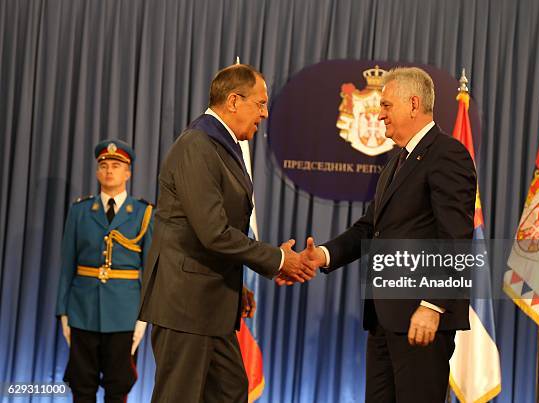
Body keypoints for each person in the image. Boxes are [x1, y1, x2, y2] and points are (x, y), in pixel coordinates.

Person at [291, 67, 476, 402]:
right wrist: (323, 254)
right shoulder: (396, 162)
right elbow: (369, 227)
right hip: (384, 318)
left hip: (421, 318)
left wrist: (432, 305)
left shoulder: (447, 154)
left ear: (414, 104)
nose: (380, 114)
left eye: (387, 106)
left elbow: (456, 239)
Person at [138, 64, 315, 403]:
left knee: (230, 392)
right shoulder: (197, 145)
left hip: (212, 303)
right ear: (234, 101)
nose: (264, 114)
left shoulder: (220, 144)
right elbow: (214, 233)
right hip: (186, 306)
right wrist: (278, 259)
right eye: (260, 104)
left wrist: (235, 289)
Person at [55, 139, 153, 403]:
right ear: (97, 172)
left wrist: (144, 318)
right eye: (104, 165)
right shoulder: (80, 211)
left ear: (128, 173)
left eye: (117, 165)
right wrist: (63, 311)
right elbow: (67, 264)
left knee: (118, 387)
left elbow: (151, 271)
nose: (109, 170)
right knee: (81, 386)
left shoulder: (144, 213)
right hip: (82, 310)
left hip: (125, 313)